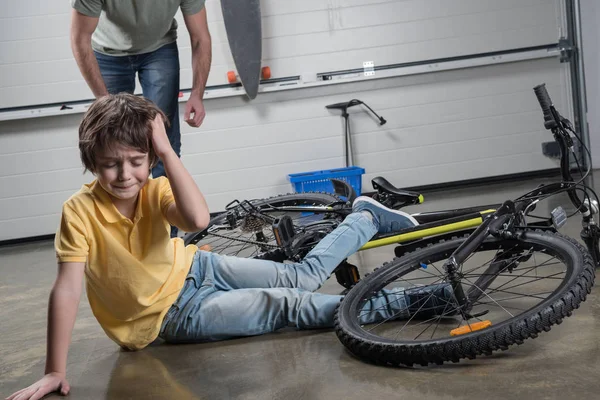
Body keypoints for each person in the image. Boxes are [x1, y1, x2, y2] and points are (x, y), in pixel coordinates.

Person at [6, 94, 455, 400]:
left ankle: (365, 216)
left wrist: (166, 150)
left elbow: (198, 220)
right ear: (91, 162)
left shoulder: (155, 188)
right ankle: (421, 302)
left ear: (151, 157)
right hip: (169, 318)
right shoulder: (78, 211)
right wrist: (54, 369)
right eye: (110, 165)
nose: (125, 175)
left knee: (298, 275)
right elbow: (66, 289)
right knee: (292, 306)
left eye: (137, 161)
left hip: (196, 268)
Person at [69, 0, 212, 180]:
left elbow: (201, 37)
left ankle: (163, 202)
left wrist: (197, 95)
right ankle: (126, 202)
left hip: (159, 49)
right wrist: (104, 103)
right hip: (108, 52)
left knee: (163, 131)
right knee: (115, 133)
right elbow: (79, 38)